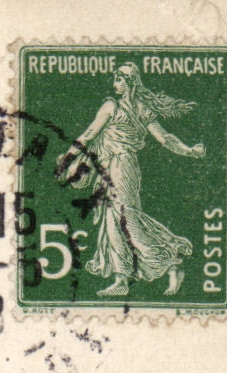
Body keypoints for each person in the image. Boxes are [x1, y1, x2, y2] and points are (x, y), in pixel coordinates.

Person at [59, 62, 205, 298]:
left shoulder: (112, 106)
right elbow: (165, 138)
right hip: (120, 167)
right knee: (118, 219)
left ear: (130, 83)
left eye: (119, 80)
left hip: (119, 167)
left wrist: (67, 158)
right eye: (115, 80)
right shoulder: (141, 108)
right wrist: (188, 150)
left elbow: (88, 135)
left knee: (122, 219)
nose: (115, 84)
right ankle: (136, 273)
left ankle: (163, 261)